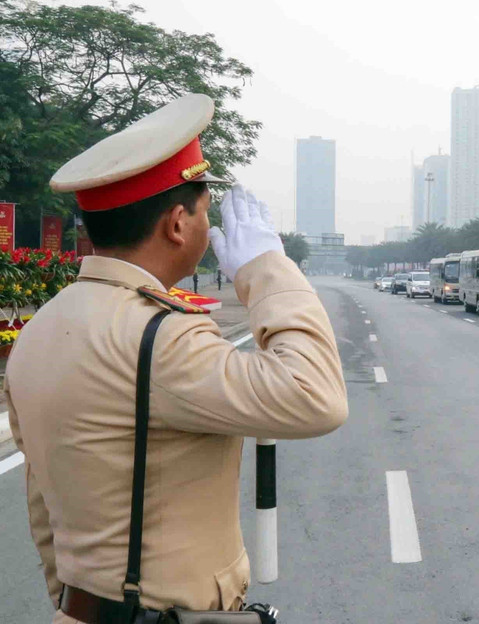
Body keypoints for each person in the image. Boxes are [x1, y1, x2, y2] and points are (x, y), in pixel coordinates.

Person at [5, 93, 348, 623]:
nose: (210, 229)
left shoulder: (41, 328)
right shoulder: (160, 335)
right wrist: (267, 268)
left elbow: (43, 505)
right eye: (205, 212)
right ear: (176, 224)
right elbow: (315, 396)